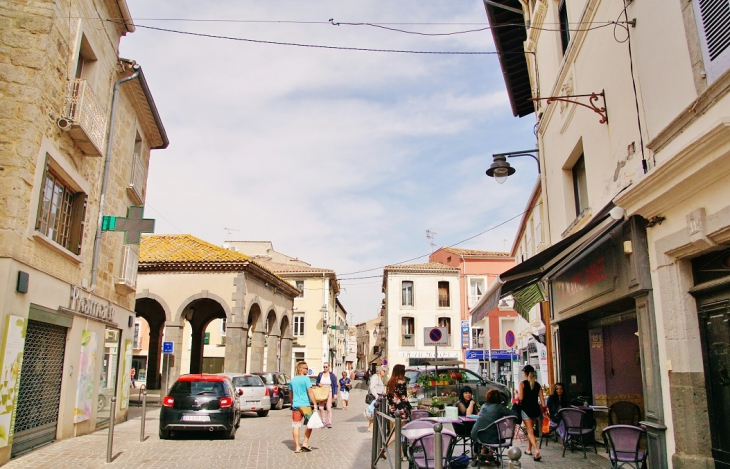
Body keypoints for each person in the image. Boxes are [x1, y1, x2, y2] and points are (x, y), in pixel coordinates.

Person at [471, 389, 517, 463]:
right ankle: (489, 455)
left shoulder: (483, 406)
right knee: (496, 433)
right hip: (490, 437)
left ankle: (484, 455)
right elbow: (514, 415)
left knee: (491, 431)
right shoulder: (500, 408)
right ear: (499, 398)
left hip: (477, 434)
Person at [518, 365, 546, 461]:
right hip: (535, 410)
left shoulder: (522, 384)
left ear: (525, 374)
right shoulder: (538, 385)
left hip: (526, 409)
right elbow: (542, 401)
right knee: (532, 431)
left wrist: (517, 393)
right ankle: (529, 449)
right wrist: (544, 411)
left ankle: (536, 450)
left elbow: (521, 398)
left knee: (529, 431)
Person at [289, 361, 317, 453]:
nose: (307, 370)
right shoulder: (306, 379)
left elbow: (290, 394)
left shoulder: (292, 380)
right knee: (310, 424)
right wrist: (315, 404)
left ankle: (297, 447)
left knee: (296, 426)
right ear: (301, 369)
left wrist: (291, 403)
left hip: (296, 406)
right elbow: (310, 392)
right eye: (306, 368)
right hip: (305, 405)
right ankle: (305, 442)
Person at [365, 366, 387, 433]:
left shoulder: (380, 378)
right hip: (376, 397)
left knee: (375, 412)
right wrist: (376, 396)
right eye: (384, 371)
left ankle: (374, 427)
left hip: (379, 397)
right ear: (380, 371)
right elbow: (372, 387)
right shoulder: (375, 377)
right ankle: (370, 428)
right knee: (373, 412)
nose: (385, 373)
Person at [316, 362, 338, 428]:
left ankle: (329, 422)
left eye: (326, 367)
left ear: (329, 367)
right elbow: (317, 382)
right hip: (321, 391)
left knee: (328, 408)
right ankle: (323, 421)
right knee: (320, 408)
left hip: (329, 391)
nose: (325, 368)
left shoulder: (332, 375)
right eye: (324, 367)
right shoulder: (320, 374)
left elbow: (334, 385)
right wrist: (318, 384)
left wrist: (335, 394)